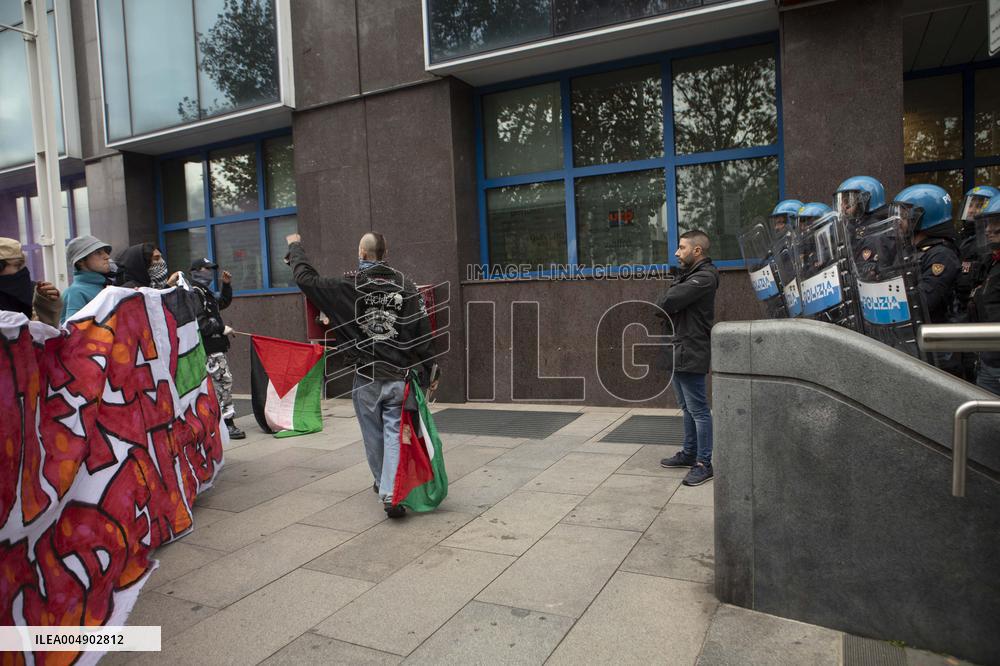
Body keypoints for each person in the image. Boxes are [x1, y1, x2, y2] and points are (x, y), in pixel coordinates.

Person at [286, 231, 437, 518]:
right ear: (385, 251)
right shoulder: (406, 285)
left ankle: (385, 485)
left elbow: (307, 280)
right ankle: (391, 491)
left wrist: (295, 248)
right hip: (397, 374)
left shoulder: (348, 284)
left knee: (373, 435)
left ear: (362, 253)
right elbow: (423, 332)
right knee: (394, 431)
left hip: (366, 376)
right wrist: (431, 369)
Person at [659, 230, 720, 487]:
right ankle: (689, 452)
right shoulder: (689, 275)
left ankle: (704, 463)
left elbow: (668, 300)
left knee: (699, 410)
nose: (676, 252)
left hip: (692, 348)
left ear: (697, 251)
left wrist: (670, 296)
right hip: (679, 348)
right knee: (686, 407)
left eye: (682, 248)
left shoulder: (706, 276)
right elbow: (666, 304)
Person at [890, 184, 961, 374]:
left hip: (937, 352)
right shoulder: (908, 251)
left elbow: (925, 299)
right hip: (912, 345)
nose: (899, 221)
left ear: (922, 217)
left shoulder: (941, 255)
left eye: (905, 216)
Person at [189, 257, 245, 440]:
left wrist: (226, 286)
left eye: (211, 269)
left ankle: (218, 422)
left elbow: (221, 303)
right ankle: (228, 425)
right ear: (196, 270)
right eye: (206, 269)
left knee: (217, 385)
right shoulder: (195, 293)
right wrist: (222, 329)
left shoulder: (205, 292)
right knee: (223, 383)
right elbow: (202, 324)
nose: (209, 272)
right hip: (209, 348)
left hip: (213, 347)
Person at [970, 196, 1000, 394]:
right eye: (987, 223)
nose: (988, 229)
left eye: (996, 223)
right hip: (989, 358)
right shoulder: (992, 262)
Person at [0, 237, 61, 327]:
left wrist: (47, 304)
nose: (22, 271)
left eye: (23, 265)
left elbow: (51, 333)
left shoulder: (35, 291)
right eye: (17, 265)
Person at [61, 235, 113, 323]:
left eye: (105, 252)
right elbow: (75, 331)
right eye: (98, 253)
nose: (107, 256)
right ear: (81, 261)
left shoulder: (108, 285)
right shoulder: (75, 292)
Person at [114, 243, 179, 289]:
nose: (162, 262)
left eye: (161, 257)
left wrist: (169, 284)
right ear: (141, 263)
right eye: (156, 258)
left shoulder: (148, 285)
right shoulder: (130, 290)